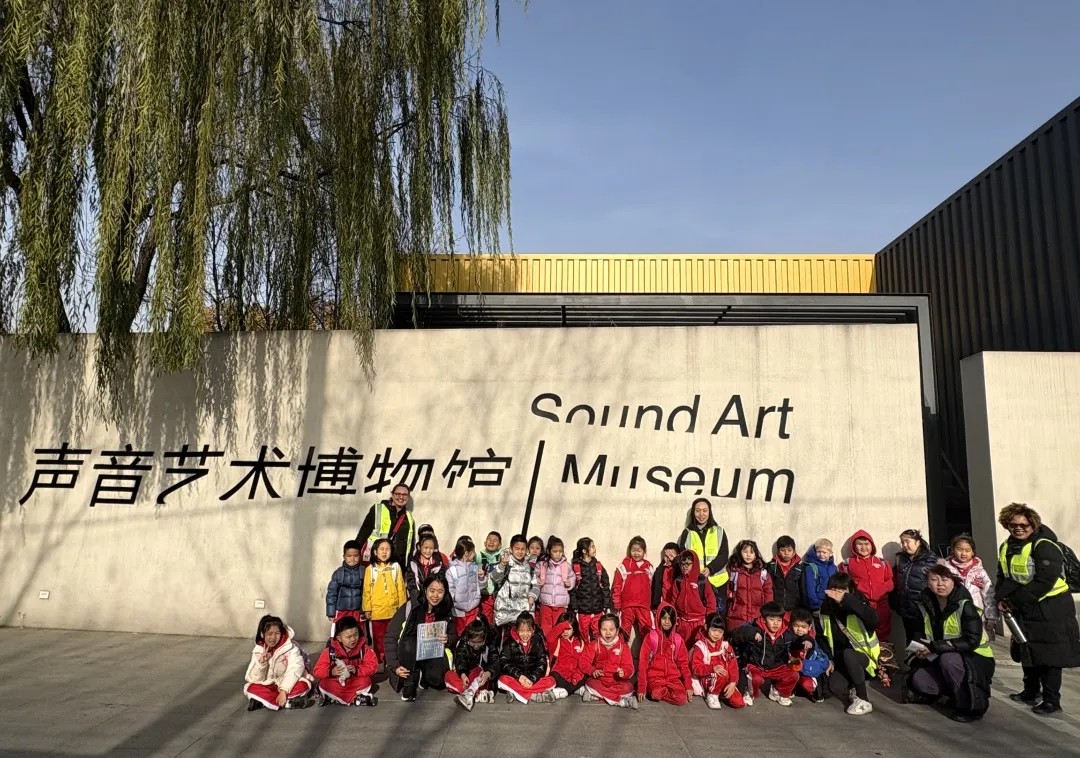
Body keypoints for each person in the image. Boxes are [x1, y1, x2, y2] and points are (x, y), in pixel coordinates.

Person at [995, 502, 1080, 715]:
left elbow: (1045, 580)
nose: (1018, 528)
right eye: (1013, 525)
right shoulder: (1006, 546)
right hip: (1025, 607)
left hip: (1051, 607)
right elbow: (1003, 575)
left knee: (1050, 655)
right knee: (1028, 649)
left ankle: (1052, 700)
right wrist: (1001, 597)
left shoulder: (1044, 546)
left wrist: (1015, 600)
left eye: (1024, 525)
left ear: (1033, 524)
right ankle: (1031, 691)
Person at [907, 564, 995, 722]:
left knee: (949, 660)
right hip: (941, 655)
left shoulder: (965, 605)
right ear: (927, 582)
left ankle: (970, 706)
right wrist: (919, 650)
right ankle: (953, 694)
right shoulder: (923, 604)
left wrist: (935, 647)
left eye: (945, 579)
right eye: (934, 579)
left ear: (954, 581)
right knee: (919, 679)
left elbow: (972, 641)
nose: (940, 584)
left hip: (975, 657)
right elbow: (919, 634)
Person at [817, 572, 881, 716]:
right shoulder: (826, 611)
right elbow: (822, 638)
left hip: (866, 659)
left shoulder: (859, 607)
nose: (838, 594)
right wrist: (829, 660)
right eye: (835, 590)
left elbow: (874, 620)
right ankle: (853, 686)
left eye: (843, 590)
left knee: (849, 654)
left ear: (851, 591)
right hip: (841, 661)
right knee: (833, 687)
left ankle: (863, 699)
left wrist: (847, 600)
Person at [385, 573, 455, 702]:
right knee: (409, 643)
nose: (435, 595)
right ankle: (409, 683)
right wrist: (394, 666)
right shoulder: (411, 607)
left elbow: (453, 635)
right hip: (408, 653)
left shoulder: (445, 610)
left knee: (438, 680)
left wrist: (448, 639)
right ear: (425, 590)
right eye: (432, 591)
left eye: (440, 592)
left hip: (431, 653)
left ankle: (424, 676)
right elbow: (390, 637)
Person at [729, 601, 799, 707]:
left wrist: (808, 641)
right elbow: (735, 634)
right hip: (756, 666)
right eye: (772, 619)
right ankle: (749, 693)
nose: (776, 623)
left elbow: (798, 640)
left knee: (793, 675)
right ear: (764, 620)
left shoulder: (786, 634)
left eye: (779, 620)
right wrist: (751, 633)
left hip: (776, 667)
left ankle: (777, 691)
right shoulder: (755, 628)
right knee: (756, 679)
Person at [243, 614, 315, 711]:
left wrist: (284, 690)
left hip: (288, 685)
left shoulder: (292, 648)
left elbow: (295, 669)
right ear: (262, 634)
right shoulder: (259, 650)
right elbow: (253, 679)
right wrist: (261, 664)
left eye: (277, 633)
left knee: (303, 685)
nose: (273, 638)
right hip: (269, 685)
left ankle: (264, 702)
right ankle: (289, 703)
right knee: (251, 688)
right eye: (269, 634)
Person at [839, 530, 894, 642]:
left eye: (866, 544)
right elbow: (843, 584)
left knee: (883, 634)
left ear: (872, 545)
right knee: (863, 635)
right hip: (861, 605)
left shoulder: (882, 563)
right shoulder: (847, 564)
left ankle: (883, 652)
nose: (863, 547)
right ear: (853, 546)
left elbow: (890, 581)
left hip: (881, 604)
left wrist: (881, 589)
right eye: (859, 544)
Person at [312, 616, 379, 707]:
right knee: (324, 683)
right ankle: (355, 699)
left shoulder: (364, 649)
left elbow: (373, 666)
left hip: (354, 681)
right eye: (348, 637)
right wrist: (331, 672)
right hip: (337, 681)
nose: (353, 639)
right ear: (339, 638)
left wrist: (357, 670)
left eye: (356, 635)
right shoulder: (330, 651)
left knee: (366, 681)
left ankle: (335, 698)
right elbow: (317, 670)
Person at [678, 498, 730, 610]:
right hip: (697, 583)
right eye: (698, 511)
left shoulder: (719, 531)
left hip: (718, 583)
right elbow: (683, 557)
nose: (701, 514)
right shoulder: (687, 533)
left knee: (717, 616)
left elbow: (724, 555)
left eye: (705, 510)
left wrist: (710, 568)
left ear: (709, 512)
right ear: (693, 513)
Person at [637, 603, 693, 706]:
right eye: (664, 618)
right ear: (658, 618)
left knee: (682, 699)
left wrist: (688, 685)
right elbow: (643, 662)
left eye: (670, 619)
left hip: (673, 678)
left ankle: (663, 692)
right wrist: (641, 686)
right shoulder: (651, 637)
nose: (667, 622)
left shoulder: (678, 640)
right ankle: (653, 690)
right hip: (655, 678)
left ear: (674, 620)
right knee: (656, 693)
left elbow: (684, 664)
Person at [497, 611, 558, 704]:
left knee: (551, 681)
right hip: (517, 679)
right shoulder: (510, 642)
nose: (525, 634)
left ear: (533, 630)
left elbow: (542, 662)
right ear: (517, 630)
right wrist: (519, 676)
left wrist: (532, 679)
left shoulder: (537, 640)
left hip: (532, 680)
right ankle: (532, 695)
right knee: (502, 679)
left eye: (528, 631)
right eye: (522, 631)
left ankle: (517, 693)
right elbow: (503, 661)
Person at [362, 538, 407, 664]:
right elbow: (366, 591)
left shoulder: (395, 567)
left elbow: (401, 589)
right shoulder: (370, 569)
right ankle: (380, 661)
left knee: (392, 637)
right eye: (381, 549)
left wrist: (403, 609)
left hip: (393, 612)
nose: (384, 552)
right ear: (375, 552)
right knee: (378, 639)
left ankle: (390, 661)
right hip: (377, 613)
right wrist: (367, 609)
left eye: (387, 549)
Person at [891, 528, 940, 643]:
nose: (904, 545)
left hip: (922, 609)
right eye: (902, 542)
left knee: (923, 641)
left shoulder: (930, 559)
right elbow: (895, 580)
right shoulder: (900, 559)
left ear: (917, 542)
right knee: (910, 641)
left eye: (907, 541)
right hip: (905, 609)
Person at [946, 534, 998, 641]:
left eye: (967, 550)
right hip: (953, 614)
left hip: (976, 614)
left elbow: (989, 594)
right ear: (953, 550)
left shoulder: (979, 572)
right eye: (959, 549)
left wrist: (991, 617)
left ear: (973, 552)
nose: (963, 553)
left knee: (977, 642)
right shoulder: (946, 569)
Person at [580, 613, 638, 709]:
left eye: (611, 629)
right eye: (604, 629)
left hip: (618, 683)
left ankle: (596, 697)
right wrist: (593, 671)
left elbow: (629, 667)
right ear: (599, 630)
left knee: (629, 688)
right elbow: (583, 661)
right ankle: (621, 702)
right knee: (590, 683)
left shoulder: (623, 647)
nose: (608, 633)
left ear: (617, 630)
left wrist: (624, 672)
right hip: (600, 681)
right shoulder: (594, 645)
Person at [690, 613, 745, 710]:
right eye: (713, 630)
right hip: (707, 678)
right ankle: (712, 694)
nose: (717, 634)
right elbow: (696, 668)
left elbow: (733, 665)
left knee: (739, 702)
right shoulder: (700, 646)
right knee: (720, 674)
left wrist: (733, 682)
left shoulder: (725, 646)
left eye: (720, 631)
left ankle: (720, 692)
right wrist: (712, 668)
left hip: (724, 678)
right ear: (706, 627)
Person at [355, 482, 415, 570]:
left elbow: (410, 545)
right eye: (398, 494)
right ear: (392, 494)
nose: (401, 497)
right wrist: (354, 553)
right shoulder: (378, 509)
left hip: (398, 565)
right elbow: (363, 533)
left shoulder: (409, 517)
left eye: (404, 495)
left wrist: (408, 568)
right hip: (376, 563)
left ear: (408, 497)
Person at [446, 617, 501, 711]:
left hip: (483, 675)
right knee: (449, 675)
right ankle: (472, 693)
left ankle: (470, 694)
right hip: (467, 675)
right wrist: (463, 674)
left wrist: (489, 673)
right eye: (473, 643)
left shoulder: (490, 643)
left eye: (479, 643)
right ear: (468, 639)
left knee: (479, 671)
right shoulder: (463, 642)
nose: (476, 646)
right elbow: (460, 658)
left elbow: (495, 662)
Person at [489, 534, 541, 630]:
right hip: (506, 612)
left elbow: (536, 584)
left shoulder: (529, 566)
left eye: (523, 549)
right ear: (511, 549)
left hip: (524, 612)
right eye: (517, 549)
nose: (520, 552)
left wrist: (532, 596)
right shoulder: (506, 562)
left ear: (526, 550)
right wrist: (502, 565)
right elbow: (494, 578)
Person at [665, 550, 716, 645]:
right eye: (682, 564)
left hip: (699, 623)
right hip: (683, 623)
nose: (684, 567)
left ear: (694, 564)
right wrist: (673, 617)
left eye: (688, 564)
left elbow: (711, 602)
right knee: (682, 648)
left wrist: (709, 622)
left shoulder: (702, 581)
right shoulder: (678, 581)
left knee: (698, 649)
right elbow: (673, 602)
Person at [725, 539, 773, 631]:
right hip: (736, 618)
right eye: (745, 552)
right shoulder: (733, 571)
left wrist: (767, 614)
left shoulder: (763, 574)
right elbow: (727, 590)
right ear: (740, 553)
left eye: (751, 552)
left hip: (757, 619)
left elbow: (768, 594)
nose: (748, 555)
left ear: (755, 554)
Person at [613, 535, 654, 641]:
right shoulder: (623, 566)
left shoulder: (648, 567)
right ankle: (621, 650)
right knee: (623, 631)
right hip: (627, 605)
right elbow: (617, 586)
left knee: (648, 632)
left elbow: (652, 586)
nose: (636, 553)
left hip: (644, 605)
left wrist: (653, 604)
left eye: (639, 550)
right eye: (633, 550)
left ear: (644, 551)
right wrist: (617, 603)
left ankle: (647, 651)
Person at [570, 537, 611, 641]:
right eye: (592, 547)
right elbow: (572, 590)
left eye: (594, 546)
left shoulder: (598, 566)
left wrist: (606, 604)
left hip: (598, 610)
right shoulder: (576, 568)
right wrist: (574, 607)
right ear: (584, 551)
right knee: (583, 636)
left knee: (598, 636)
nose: (594, 549)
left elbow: (606, 585)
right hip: (582, 611)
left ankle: (597, 651)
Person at [536, 535, 576, 635]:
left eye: (560, 551)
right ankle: (546, 643)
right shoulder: (543, 565)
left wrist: (570, 583)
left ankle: (556, 644)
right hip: (545, 603)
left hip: (560, 604)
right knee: (545, 627)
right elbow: (534, 575)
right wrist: (537, 581)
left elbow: (573, 577)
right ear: (549, 551)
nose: (558, 554)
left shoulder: (566, 565)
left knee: (558, 627)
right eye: (555, 551)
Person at [326, 539, 365, 635]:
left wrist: (364, 610)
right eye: (349, 556)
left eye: (355, 556)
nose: (352, 559)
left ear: (360, 556)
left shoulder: (364, 572)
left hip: (357, 611)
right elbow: (331, 593)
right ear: (344, 556)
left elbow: (367, 593)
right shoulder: (338, 573)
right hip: (341, 611)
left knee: (358, 633)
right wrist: (331, 612)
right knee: (340, 632)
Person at [790, 608, 830, 702]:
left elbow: (807, 640)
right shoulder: (789, 636)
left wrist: (808, 643)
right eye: (796, 626)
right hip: (796, 669)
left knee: (807, 684)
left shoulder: (811, 641)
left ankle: (814, 691)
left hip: (808, 671)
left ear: (809, 627)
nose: (799, 629)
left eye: (803, 627)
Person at [445, 536, 483, 635]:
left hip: (473, 609)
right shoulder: (452, 570)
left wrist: (482, 578)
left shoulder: (474, 567)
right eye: (473, 552)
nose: (475, 554)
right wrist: (456, 602)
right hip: (459, 612)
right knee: (460, 634)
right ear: (466, 553)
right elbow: (450, 591)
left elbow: (480, 586)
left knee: (473, 635)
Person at [547, 611, 587, 699]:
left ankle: (565, 691)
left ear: (574, 629)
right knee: (554, 676)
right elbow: (549, 638)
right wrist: (563, 625)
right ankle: (575, 690)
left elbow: (584, 662)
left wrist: (577, 676)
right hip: (560, 675)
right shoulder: (556, 641)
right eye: (563, 629)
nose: (565, 632)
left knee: (586, 675)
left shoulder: (580, 641)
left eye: (568, 629)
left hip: (576, 676)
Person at [405, 531, 448, 613]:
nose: (428, 551)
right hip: (418, 602)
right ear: (419, 547)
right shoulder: (413, 564)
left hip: (434, 601)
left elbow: (440, 583)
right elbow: (412, 585)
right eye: (425, 548)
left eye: (431, 548)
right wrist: (417, 603)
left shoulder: (438, 564)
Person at [767, 536, 807, 615]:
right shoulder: (771, 566)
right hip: (777, 609)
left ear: (794, 552)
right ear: (778, 552)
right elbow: (769, 588)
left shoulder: (800, 567)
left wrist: (804, 608)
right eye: (783, 550)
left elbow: (803, 588)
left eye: (789, 550)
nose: (786, 553)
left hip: (795, 608)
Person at [804, 538, 838, 612]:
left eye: (824, 552)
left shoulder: (833, 568)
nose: (821, 554)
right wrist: (815, 606)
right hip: (819, 604)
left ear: (830, 553)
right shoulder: (811, 567)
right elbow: (810, 588)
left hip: (832, 603)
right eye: (818, 552)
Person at [477, 531, 503, 625]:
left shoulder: (502, 556)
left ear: (499, 545)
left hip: (499, 594)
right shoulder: (479, 556)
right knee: (486, 619)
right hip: (485, 594)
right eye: (489, 539)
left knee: (499, 620)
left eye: (495, 540)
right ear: (485, 543)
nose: (491, 542)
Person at [651, 542, 680, 610]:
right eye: (666, 556)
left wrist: (675, 560)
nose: (669, 558)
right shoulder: (659, 571)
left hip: (677, 606)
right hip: (664, 606)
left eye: (671, 555)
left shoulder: (679, 569)